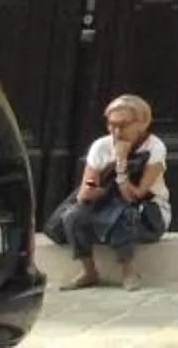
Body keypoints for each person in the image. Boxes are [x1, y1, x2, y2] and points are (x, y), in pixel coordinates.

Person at [53, 95, 168, 288]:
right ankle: (89, 271)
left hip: (146, 213)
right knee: (73, 216)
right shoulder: (101, 147)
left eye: (123, 125)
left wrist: (121, 163)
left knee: (123, 214)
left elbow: (135, 196)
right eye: (111, 125)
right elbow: (86, 190)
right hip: (106, 205)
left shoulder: (155, 147)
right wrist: (92, 189)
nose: (116, 132)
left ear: (142, 124)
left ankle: (128, 272)